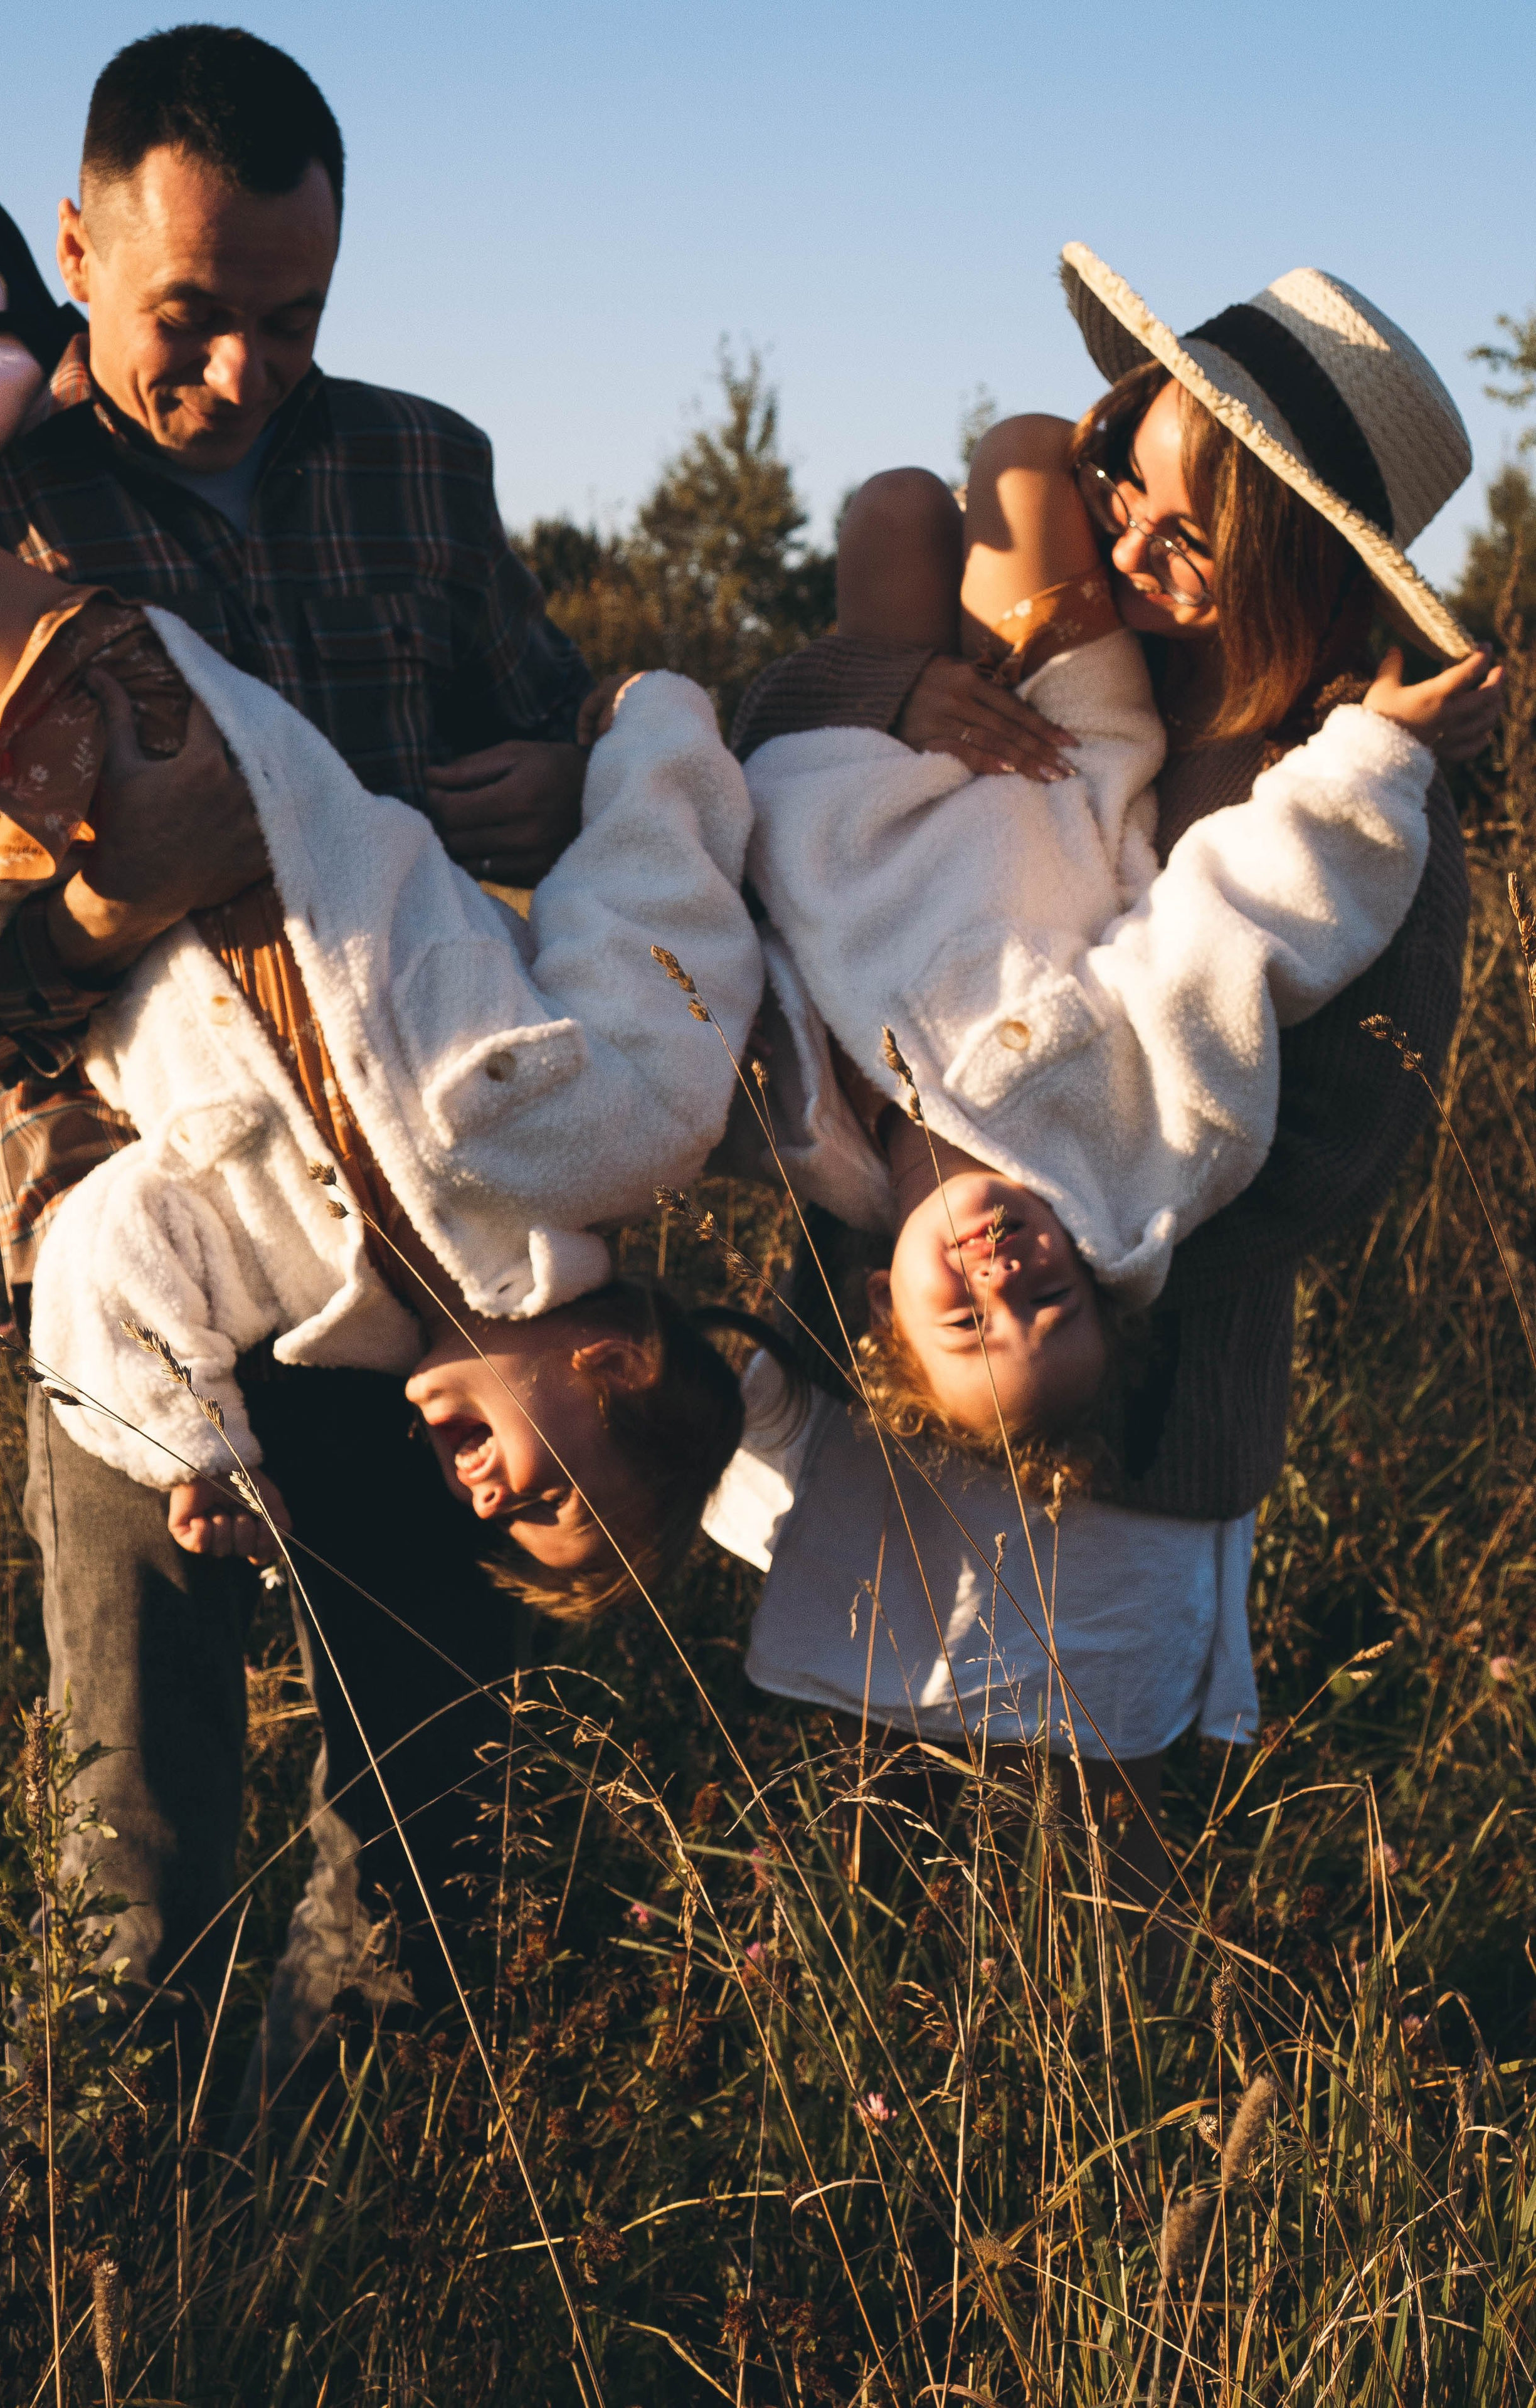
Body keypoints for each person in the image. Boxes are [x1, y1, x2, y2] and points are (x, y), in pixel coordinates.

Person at [0, 27, 601, 2083]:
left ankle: (396, 2218)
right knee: (140, 1809)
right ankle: (143, 2228)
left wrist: (562, 777)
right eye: (188, 321)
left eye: (294, 319)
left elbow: (553, 729)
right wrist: (128, 900)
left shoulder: (426, 463)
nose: (243, 373)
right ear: (74, 248)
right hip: (122, 1248)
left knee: (428, 1795)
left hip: (418, 1257)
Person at [710, 246, 1499, 1892]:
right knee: (867, 1802)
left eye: (1189, 536)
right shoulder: (1057, 641)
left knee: (1095, 1843)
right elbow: (788, 747)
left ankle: (1094, 2128)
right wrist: (897, 685)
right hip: (888, 1338)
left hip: (1140, 1399)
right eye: (1124, 484)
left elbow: (1342, 1144)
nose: (1130, 542)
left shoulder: (1353, 791)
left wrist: (1068, 1212)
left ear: (1302, 562)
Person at [0, 511, 768, 1611]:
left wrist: (199, 1453)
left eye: (498, 1530)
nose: (479, 1503)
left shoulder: (313, 1304)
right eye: (540, 1506)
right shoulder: (633, 1131)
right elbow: (658, 891)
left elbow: (105, 1243)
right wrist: (652, 725)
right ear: (615, 1370)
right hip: (206, 763)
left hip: (25, 887)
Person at [744, 407, 1488, 1460]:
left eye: (1190, 535)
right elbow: (1239, 922)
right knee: (1012, 456)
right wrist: (1379, 758)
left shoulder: (815, 1147)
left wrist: (636, 735)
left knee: (897, 513)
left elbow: (713, 928)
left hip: (869, 796)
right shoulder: (1130, 1151)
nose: (1004, 1280)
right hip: (1054, 766)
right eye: (1131, 489)